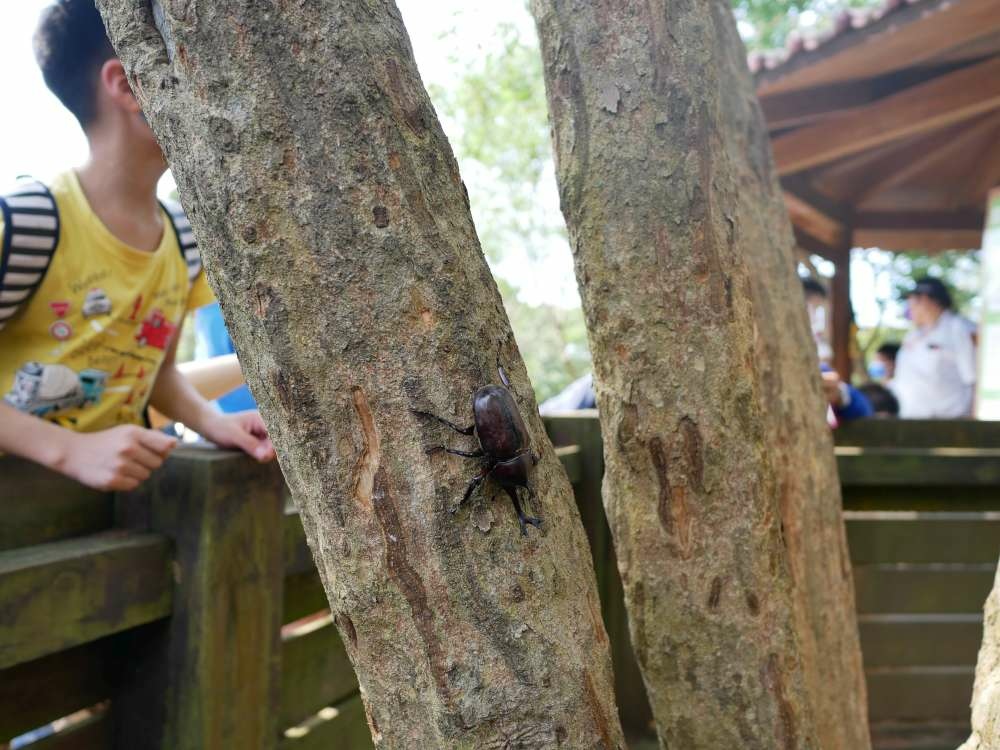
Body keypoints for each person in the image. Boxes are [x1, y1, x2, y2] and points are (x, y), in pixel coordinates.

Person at [0, 0, 275, 492]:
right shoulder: (27, 224)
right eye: (187, 62)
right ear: (129, 85)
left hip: (107, 520)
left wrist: (213, 422)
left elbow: (157, 371)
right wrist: (72, 451)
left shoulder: (185, 241)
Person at [891, 276, 976, 418]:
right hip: (910, 420)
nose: (909, 306)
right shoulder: (912, 336)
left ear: (925, 300)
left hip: (949, 424)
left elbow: (973, 379)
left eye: (911, 301)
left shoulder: (959, 328)